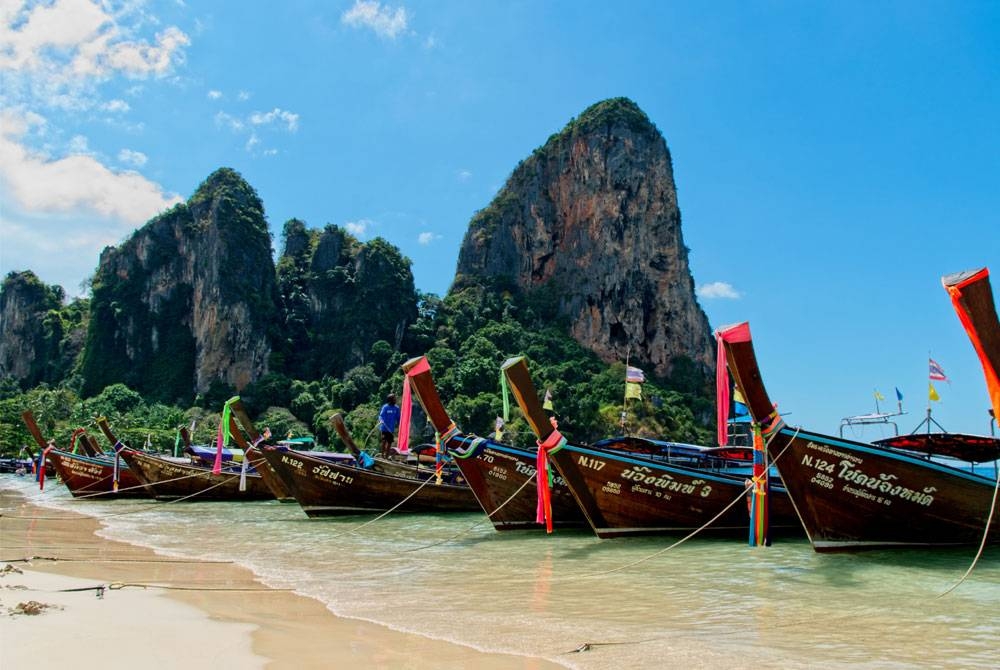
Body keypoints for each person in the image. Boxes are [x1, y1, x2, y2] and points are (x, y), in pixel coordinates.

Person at [377, 393, 401, 459]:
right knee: (384, 441)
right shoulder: (385, 407)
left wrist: (400, 425)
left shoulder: (396, 408)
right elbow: (381, 416)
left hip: (391, 429)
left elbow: (398, 418)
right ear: (390, 400)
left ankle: (386, 457)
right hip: (384, 428)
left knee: (389, 443)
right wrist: (381, 420)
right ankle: (382, 456)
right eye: (394, 399)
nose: (395, 400)